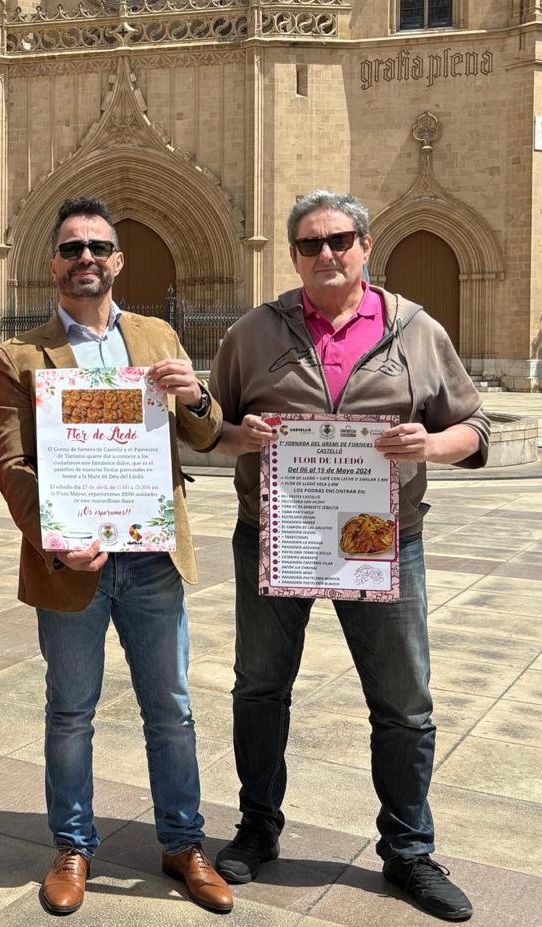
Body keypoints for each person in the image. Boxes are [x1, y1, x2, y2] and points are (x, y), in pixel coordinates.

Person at [207, 190, 487, 923]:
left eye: (339, 239)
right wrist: (246, 436)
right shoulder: (252, 332)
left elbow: (474, 424)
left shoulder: (414, 329)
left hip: (383, 539)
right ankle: (257, 827)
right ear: (293, 254)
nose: (325, 253)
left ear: (365, 244)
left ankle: (409, 850)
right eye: (309, 244)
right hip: (279, 532)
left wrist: (430, 444)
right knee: (260, 689)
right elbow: (213, 425)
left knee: (403, 703)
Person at [0, 197, 232, 916]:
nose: (85, 258)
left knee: (173, 708)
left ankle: (184, 842)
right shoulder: (21, 353)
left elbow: (204, 434)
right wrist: (54, 535)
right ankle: (72, 844)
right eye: (71, 249)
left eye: (98, 246)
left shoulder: (159, 334)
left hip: (152, 555)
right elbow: (9, 462)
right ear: (52, 263)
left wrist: (196, 397)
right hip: (74, 562)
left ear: (118, 260)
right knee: (70, 710)